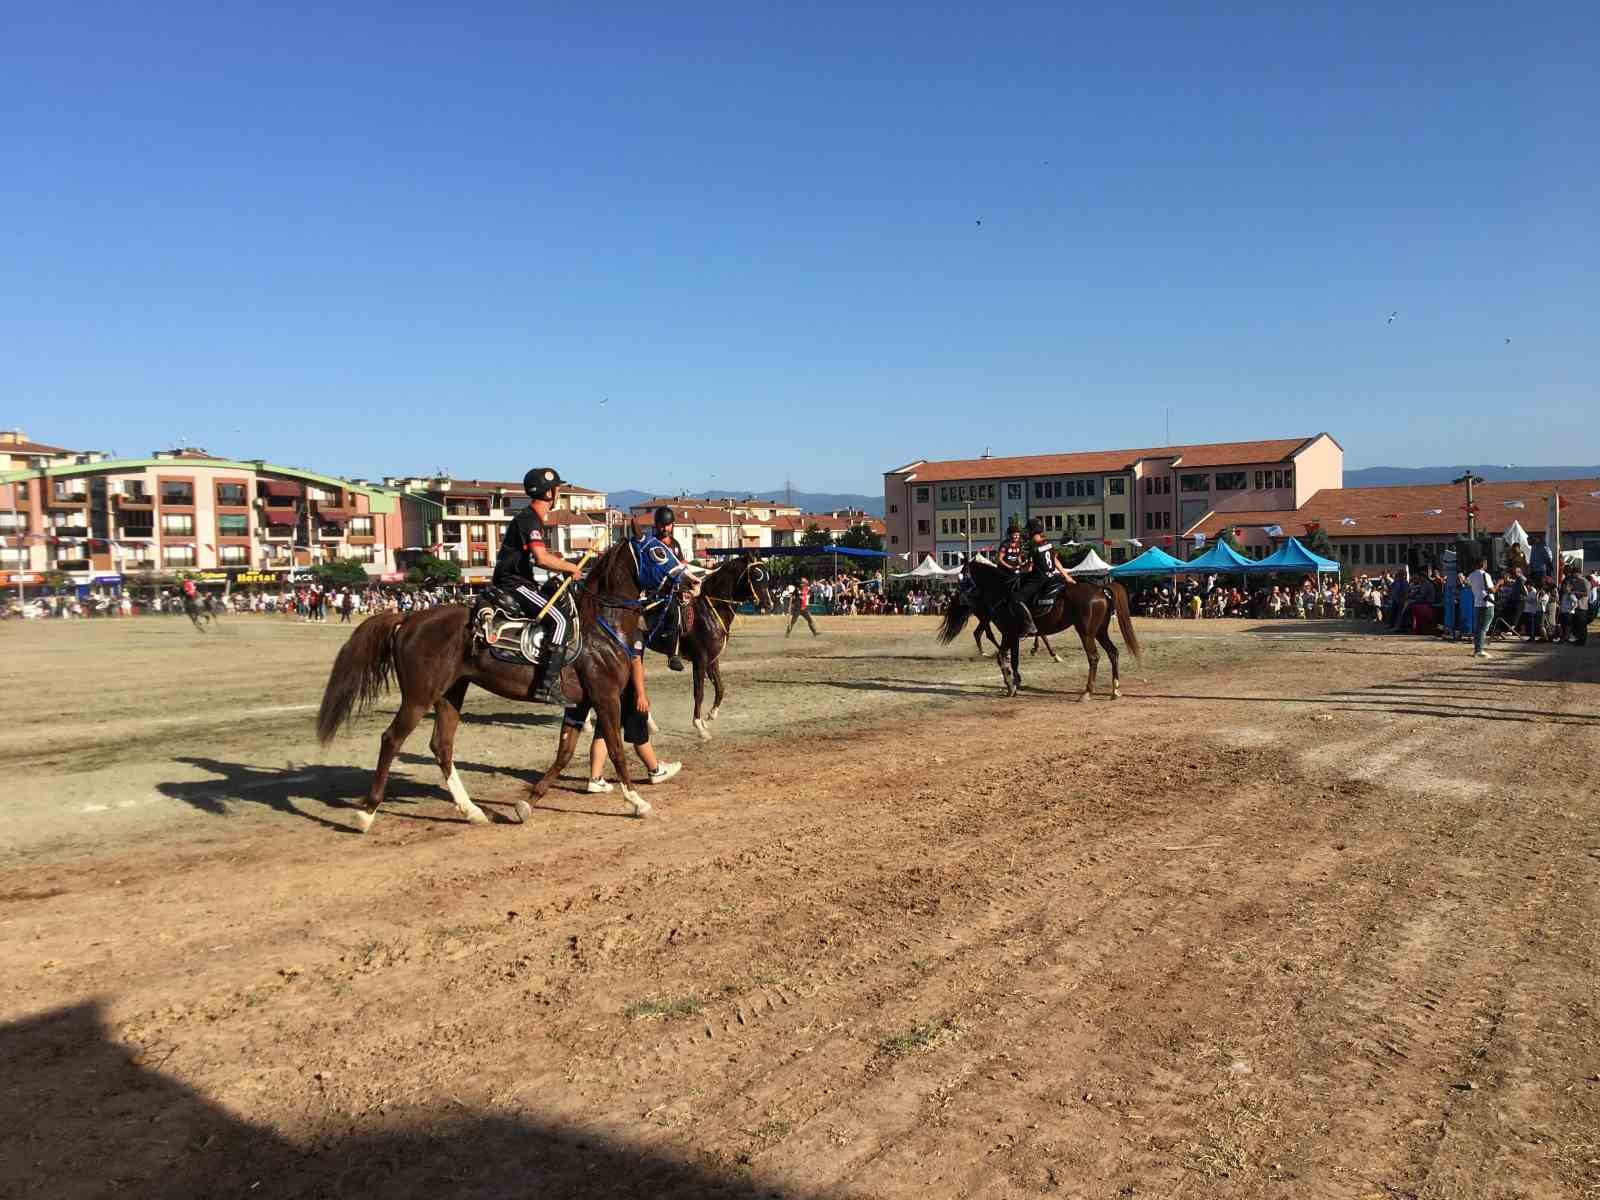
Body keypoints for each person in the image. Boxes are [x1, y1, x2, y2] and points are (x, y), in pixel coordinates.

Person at [491, 467, 585, 653]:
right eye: (558, 489)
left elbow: (534, 556)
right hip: (514, 584)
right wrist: (570, 567)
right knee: (560, 620)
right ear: (550, 492)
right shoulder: (529, 519)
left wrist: (556, 561)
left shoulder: (531, 518)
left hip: (519, 581)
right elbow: (541, 559)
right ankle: (549, 680)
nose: (559, 493)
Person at [574, 648, 681, 792]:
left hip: (607, 688)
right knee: (639, 732)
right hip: (627, 689)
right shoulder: (633, 632)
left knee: (603, 731)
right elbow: (636, 663)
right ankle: (655, 771)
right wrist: (641, 694)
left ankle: (595, 778)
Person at [1015, 519, 1075, 635]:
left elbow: (1029, 569)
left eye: (1027, 531)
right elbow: (1055, 561)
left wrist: (1018, 569)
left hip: (1039, 579)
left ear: (1031, 532)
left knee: (1016, 599)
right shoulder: (1048, 544)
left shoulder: (1033, 548)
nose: (1026, 534)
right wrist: (1067, 577)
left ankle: (1029, 626)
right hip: (1053, 577)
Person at [650, 507, 692, 672]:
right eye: (662, 525)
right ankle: (672, 655)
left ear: (672, 525)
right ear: (657, 525)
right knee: (674, 614)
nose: (665, 528)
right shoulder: (653, 544)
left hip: (677, 586)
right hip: (659, 590)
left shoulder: (675, 544)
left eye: (668, 525)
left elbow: (680, 566)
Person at [1467, 560, 1495, 658]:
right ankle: (1479, 650)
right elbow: (1491, 590)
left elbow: (1468, 584)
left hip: (1477, 603)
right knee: (1483, 628)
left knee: (1479, 627)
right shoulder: (1486, 575)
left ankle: (1477, 649)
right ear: (1483, 564)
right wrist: (1499, 583)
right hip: (1487, 603)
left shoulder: (1471, 575)